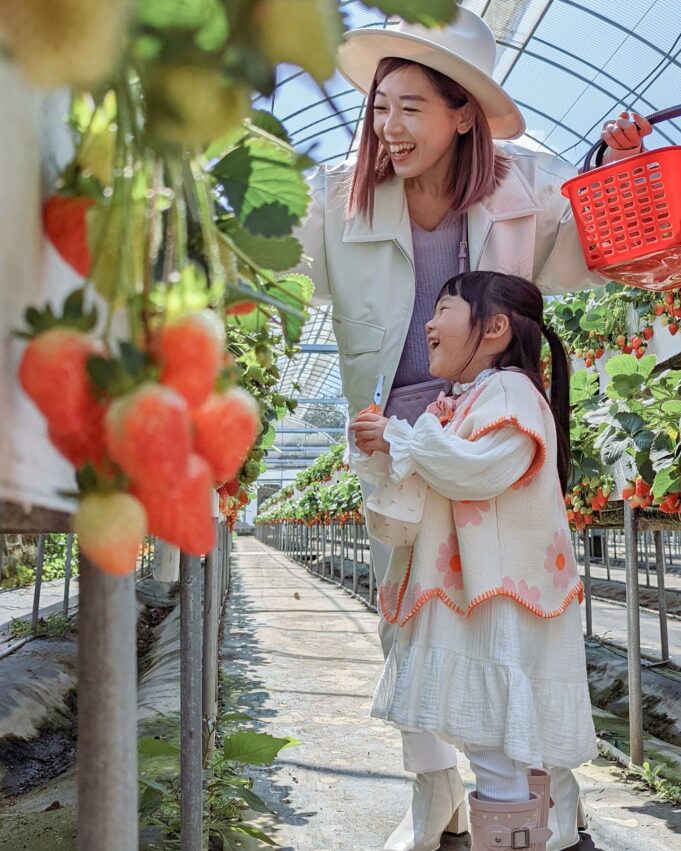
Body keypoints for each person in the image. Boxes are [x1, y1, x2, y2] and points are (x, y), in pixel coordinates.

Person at [293, 8, 650, 850]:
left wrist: (619, 169)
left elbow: (599, 252)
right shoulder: (337, 194)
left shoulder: (525, 186)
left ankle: (550, 793)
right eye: (380, 107)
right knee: (408, 615)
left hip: (493, 433)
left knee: (520, 610)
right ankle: (434, 794)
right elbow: (269, 259)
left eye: (411, 108)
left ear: (462, 113)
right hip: (401, 442)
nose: (389, 127)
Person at [349, 270, 598, 851]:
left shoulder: (510, 391)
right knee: (504, 745)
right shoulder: (476, 397)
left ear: (494, 328)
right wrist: (387, 449)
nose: (429, 324)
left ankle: (523, 834)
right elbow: (437, 483)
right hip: (483, 596)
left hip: (497, 599)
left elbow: (477, 471)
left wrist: (402, 439)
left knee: (498, 748)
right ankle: (539, 832)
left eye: (444, 309)